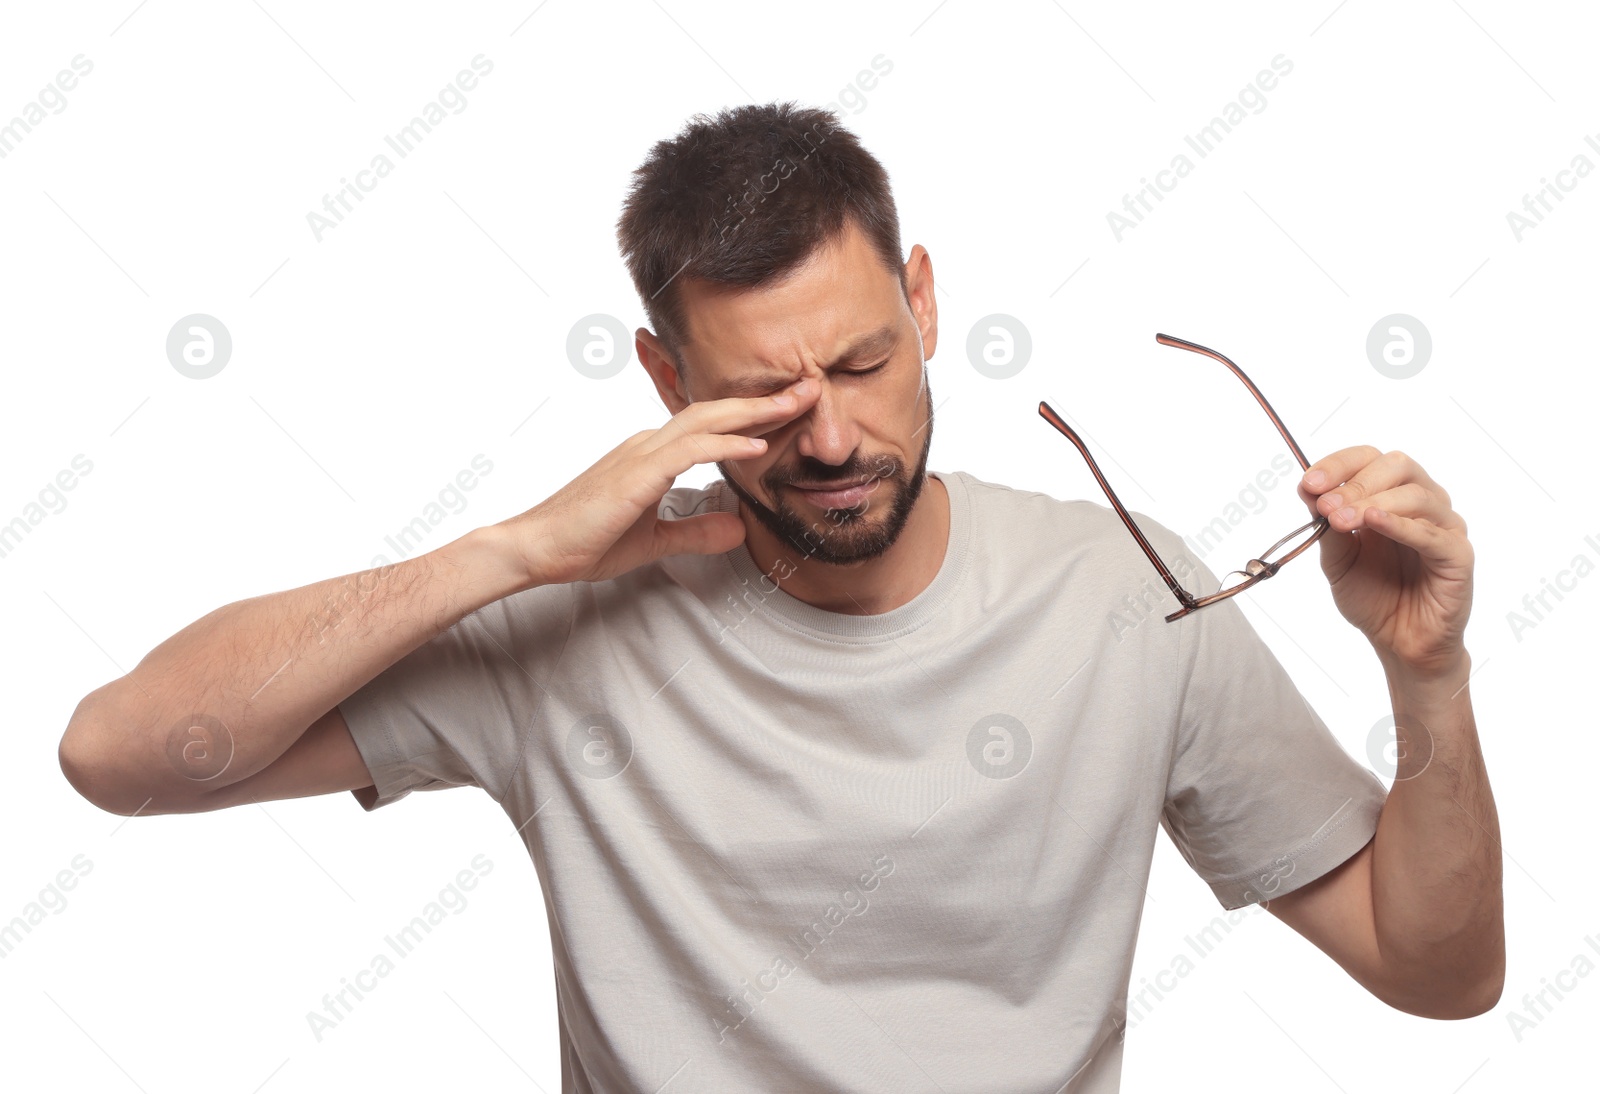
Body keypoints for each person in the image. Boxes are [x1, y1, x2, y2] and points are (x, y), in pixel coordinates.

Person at [58, 102, 1503, 1093]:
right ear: (668, 382)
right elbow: (121, 756)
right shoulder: (572, 616)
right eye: (760, 395)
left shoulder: (1127, 589)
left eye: (865, 364)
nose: (826, 437)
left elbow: (1438, 975)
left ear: (925, 302)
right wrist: (510, 553)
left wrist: (1426, 680)